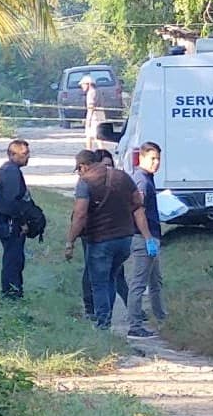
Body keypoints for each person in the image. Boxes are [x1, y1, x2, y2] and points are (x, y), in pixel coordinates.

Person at [65, 149, 156, 330]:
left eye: (79, 169)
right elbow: (137, 206)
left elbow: (80, 214)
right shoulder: (122, 177)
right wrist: (147, 237)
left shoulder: (85, 182)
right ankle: (107, 318)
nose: (79, 173)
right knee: (111, 278)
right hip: (124, 238)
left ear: (83, 166)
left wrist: (70, 241)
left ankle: (103, 323)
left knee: (99, 283)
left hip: (100, 239)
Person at [80, 149, 128, 319]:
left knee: (113, 275)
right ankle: (93, 310)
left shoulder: (118, 180)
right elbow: (80, 212)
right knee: (96, 273)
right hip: (95, 234)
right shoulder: (88, 182)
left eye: (110, 165)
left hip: (113, 234)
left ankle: (112, 313)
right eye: (104, 165)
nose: (107, 169)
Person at [126, 141, 167, 340]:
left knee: (156, 281)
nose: (156, 163)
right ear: (141, 158)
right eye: (152, 158)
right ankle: (134, 325)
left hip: (151, 236)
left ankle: (162, 318)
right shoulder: (141, 180)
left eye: (158, 159)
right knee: (139, 283)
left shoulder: (148, 178)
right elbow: (138, 212)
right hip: (144, 238)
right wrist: (148, 238)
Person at [0, 139, 32, 299]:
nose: (28, 157)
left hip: (8, 223)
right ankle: (11, 294)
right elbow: (11, 201)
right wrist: (22, 223)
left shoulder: (10, 170)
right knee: (13, 260)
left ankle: (13, 292)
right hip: (10, 224)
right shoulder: (11, 171)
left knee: (15, 258)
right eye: (24, 154)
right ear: (12, 154)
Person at [80, 75, 105, 151]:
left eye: (83, 84)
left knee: (89, 136)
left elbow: (90, 108)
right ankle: (102, 152)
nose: (82, 86)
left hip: (94, 117)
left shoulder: (90, 93)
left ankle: (88, 152)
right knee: (99, 137)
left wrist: (88, 121)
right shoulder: (98, 91)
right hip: (101, 115)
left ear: (88, 84)